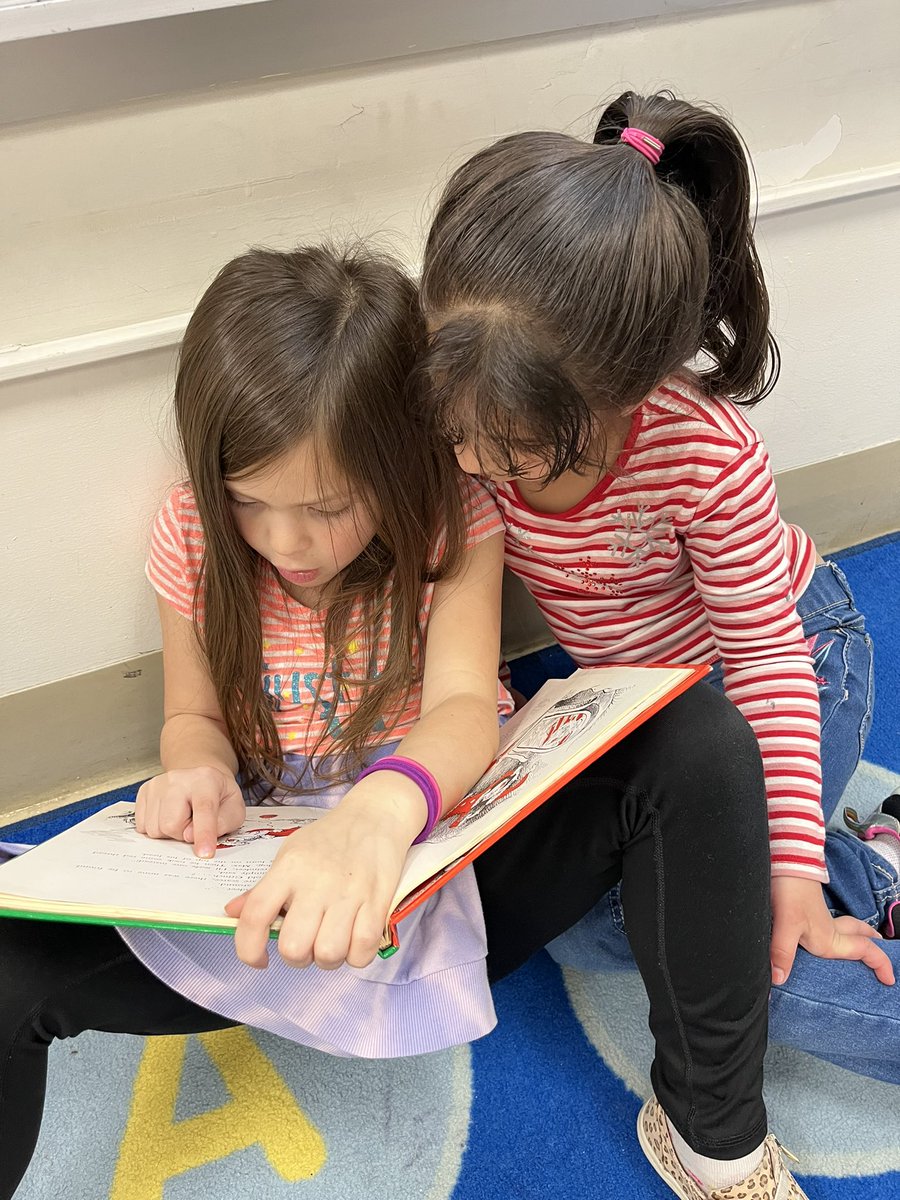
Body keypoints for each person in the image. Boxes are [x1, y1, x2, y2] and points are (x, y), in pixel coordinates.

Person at [0, 244, 799, 1199]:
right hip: (268, 900)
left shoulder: (449, 518)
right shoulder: (191, 533)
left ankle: (718, 1143)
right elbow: (191, 715)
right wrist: (199, 767)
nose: (284, 542)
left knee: (693, 737)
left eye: (327, 507)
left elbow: (464, 707)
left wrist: (382, 813)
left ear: (398, 459)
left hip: (438, 866)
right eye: (248, 502)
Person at [419, 90, 900, 1195]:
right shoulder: (474, 410)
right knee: (582, 932)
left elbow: (770, 665)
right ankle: (864, 869)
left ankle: (826, 880)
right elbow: (462, 627)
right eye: (460, 437)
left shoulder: (703, 453)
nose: (478, 466)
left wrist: (779, 878)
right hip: (640, 713)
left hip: (784, 656)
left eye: (516, 453)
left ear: (624, 392)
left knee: (744, 958)